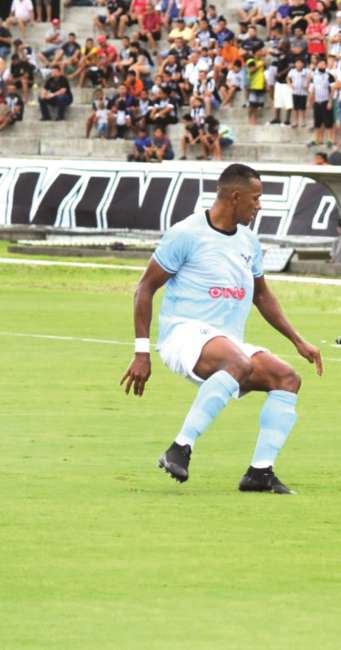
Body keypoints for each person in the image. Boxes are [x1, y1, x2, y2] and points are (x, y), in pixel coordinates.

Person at [120, 163, 323, 494]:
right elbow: (144, 288)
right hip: (183, 336)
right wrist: (141, 352)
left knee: (286, 379)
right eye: (255, 199)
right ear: (235, 196)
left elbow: (262, 295)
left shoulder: (248, 241)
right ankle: (179, 448)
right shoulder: (186, 234)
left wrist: (298, 340)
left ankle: (259, 473)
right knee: (237, 363)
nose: (259, 206)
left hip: (226, 342)